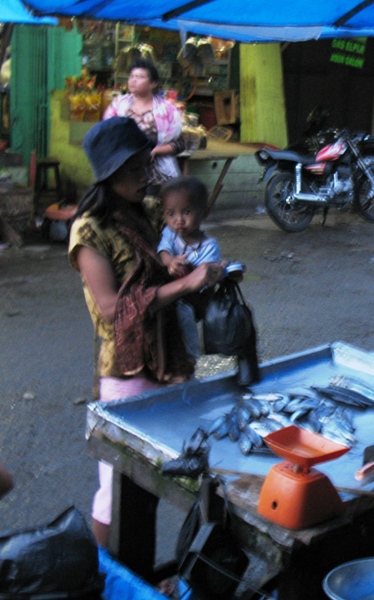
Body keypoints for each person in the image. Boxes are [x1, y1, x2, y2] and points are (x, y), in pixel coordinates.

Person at [69, 117, 226, 547]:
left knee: (161, 479)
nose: (147, 177)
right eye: (136, 170)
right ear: (110, 175)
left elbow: (189, 229)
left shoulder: (152, 211)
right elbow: (110, 308)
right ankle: (106, 582)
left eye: (146, 166)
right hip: (126, 369)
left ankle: (141, 576)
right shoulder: (89, 232)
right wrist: (182, 284)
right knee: (117, 490)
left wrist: (207, 265)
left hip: (171, 358)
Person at [158, 175, 222, 358]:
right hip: (169, 295)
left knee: (185, 321)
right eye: (171, 213)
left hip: (190, 300)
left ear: (204, 212)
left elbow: (205, 278)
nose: (178, 220)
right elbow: (162, 251)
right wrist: (170, 262)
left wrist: (188, 271)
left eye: (186, 212)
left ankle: (191, 358)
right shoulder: (170, 234)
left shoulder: (209, 246)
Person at [103, 57, 185, 196]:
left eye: (140, 77)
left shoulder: (167, 110)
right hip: (123, 171)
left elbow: (180, 143)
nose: (133, 80)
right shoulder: (118, 105)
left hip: (156, 175)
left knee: (150, 209)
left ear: (153, 83)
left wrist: (156, 151)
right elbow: (106, 134)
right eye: (132, 76)